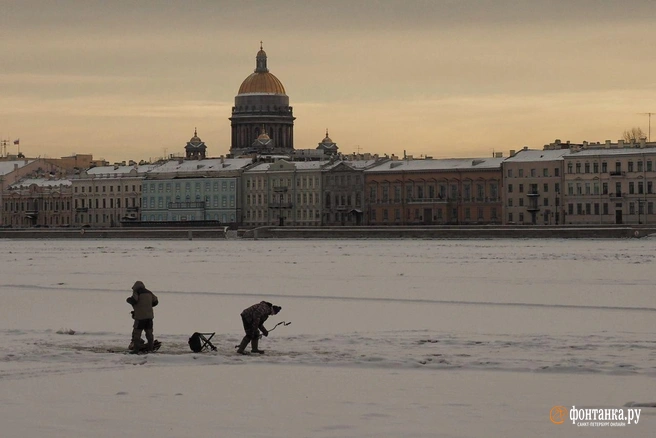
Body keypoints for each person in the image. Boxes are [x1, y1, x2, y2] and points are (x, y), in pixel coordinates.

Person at [127, 280, 158, 353]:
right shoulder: (149, 292)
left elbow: (134, 300)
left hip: (140, 318)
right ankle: (150, 349)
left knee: (137, 334)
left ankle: (136, 350)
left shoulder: (137, 292)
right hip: (149, 317)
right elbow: (156, 301)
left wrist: (128, 300)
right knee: (149, 334)